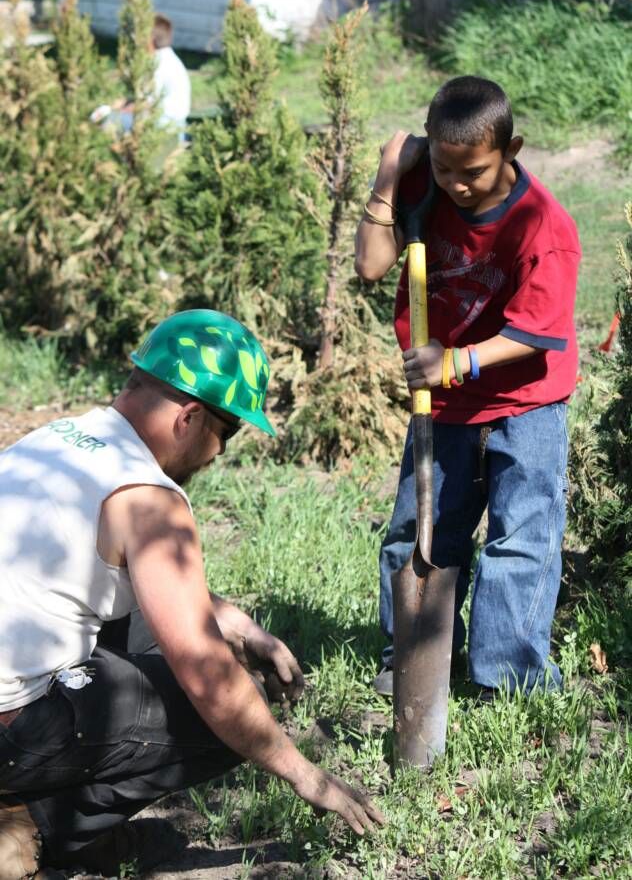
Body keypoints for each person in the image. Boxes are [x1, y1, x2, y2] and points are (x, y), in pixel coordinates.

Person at [0, 310, 383, 879]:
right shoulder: (148, 499)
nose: (220, 452)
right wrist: (307, 775)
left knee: (165, 649)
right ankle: (43, 824)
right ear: (191, 417)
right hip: (12, 734)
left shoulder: (57, 439)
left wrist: (243, 626)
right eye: (226, 433)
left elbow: (136, 589)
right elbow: (209, 678)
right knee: (230, 709)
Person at [355, 76, 580, 699]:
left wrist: (453, 361)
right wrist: (386, 179)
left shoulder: (544, 228)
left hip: (526, 402)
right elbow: (371, 265)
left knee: (521, 537)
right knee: (419, 532)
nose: (456, 184)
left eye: (473, 171)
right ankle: (416, 654)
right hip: (445, 403)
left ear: (512, 150)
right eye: (443, 164)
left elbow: (536, 335)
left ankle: (507, 678)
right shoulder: (424, 181)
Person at [91, 14, 191, 136]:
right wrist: (124, 102)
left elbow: (146, 104)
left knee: (107, 121)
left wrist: (115, 111)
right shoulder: (168, 58)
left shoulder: (158, 65)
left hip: (165, 126)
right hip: (173, 124)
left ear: (151, 39)